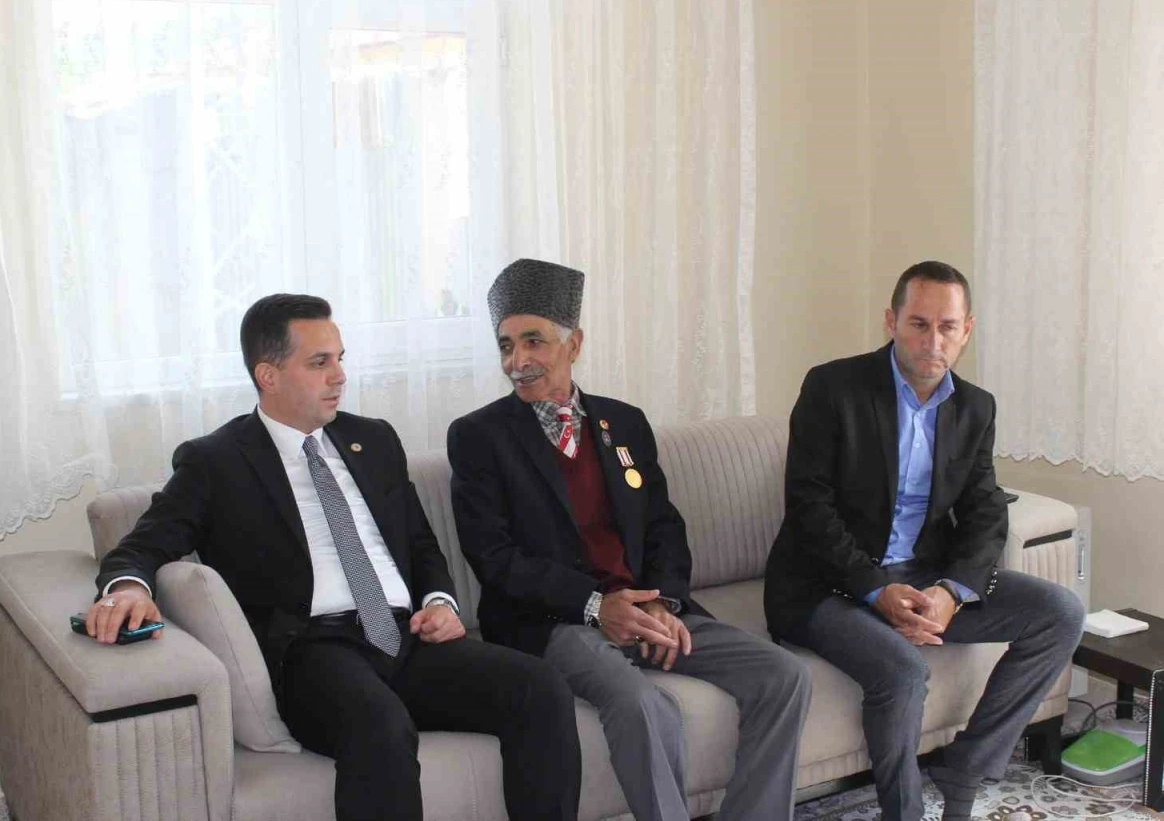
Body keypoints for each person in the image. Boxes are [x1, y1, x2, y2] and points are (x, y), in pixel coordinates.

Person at [84, 293, 581, 821]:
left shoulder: (374, 439)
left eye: (340, 358)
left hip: (407, 637)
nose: (339, 376)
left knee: (540, 687)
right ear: (268, 375)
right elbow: (143, 544)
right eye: (319, 362)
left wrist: (440, 601)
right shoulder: (216, 461)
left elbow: (420, 544)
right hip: (314, 651)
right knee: (381, 726)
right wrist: (128, 587)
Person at [447, 258, 811, 821]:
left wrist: (664, 603)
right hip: (555, 622)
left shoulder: (624, 423)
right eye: (506, 346)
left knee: (784, 676)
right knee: (642, 704)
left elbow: (663, 524)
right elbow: (496, 560)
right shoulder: (478, 437)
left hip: (647, 608)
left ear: (574, 344)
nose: (517, 361)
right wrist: (597, 606)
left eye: (533, 341)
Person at [764, 261, 1085, 821]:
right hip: (823, 585)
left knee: (1060, 611)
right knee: (904, 669)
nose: (933, 342)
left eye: (947, 327)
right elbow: (809, 507)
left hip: (921, 576)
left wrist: (952, 591)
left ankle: (965, 767)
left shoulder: (975, 407)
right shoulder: (832, 388)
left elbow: (986, 509)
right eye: (918, 324)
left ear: (967, 331)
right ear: (891, 321)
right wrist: (875, 590)